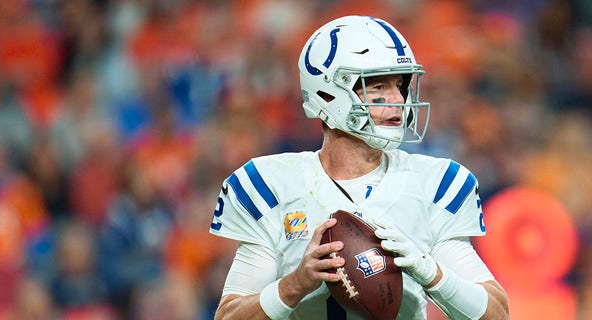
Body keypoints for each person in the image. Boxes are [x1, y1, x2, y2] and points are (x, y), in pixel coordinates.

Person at [208, 15, 509, 320]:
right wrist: (295, 285)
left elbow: (496, 313)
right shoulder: (271, 186)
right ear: (328, 94)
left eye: (400, 85)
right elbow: (230, 316)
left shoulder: (437, 184)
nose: (397, 101)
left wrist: (430, 271)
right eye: (377, 86)